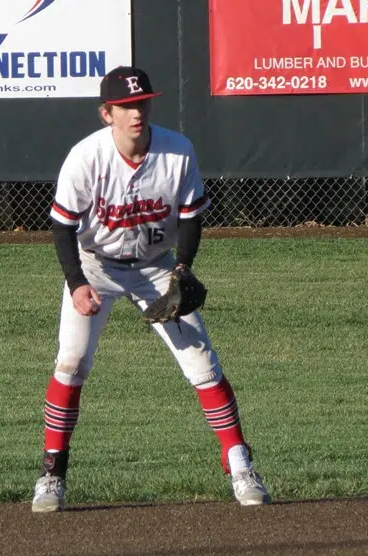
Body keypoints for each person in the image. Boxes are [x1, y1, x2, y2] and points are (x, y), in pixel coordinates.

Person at [31, 66, 270, 512]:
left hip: (156, 266)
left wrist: (183, 268)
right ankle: (52, 472)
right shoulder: (86, 157)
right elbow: (62, 227)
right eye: (126, 106)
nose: (136, 112)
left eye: (142, 103)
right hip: (95, 264)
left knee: (202, 362)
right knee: (72, 363)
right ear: (107, 114)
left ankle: (240, 464)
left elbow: (191, 216)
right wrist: (78, 284)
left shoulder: (178, 152)